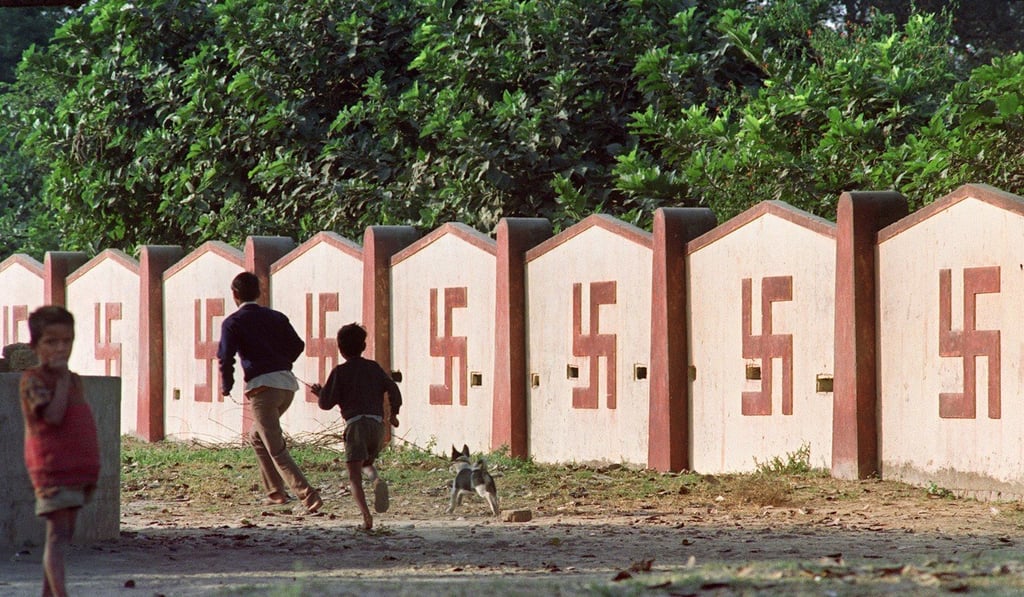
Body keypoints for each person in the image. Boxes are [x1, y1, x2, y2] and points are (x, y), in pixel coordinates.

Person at [217, 271, 322, 513]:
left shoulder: (232, 322)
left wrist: (227, 384)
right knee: (257, 437)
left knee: (276, 448)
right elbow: (298, 345)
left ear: (234, 294)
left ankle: (309, 497)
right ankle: (275, 493)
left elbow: (225, 356)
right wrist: (281, 361)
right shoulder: (277, 317)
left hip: (263, 390)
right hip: (287, 386)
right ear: (259, 292)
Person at [19, 305, 100, 597]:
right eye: (51, 342)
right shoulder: (34, 380)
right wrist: (63, 381)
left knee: (63, 536)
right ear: (36, 346)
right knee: (56, 536)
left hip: (76, 470)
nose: (60, 348)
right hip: (51, 469)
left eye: (66, 341)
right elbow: (52, 417)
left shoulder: (74, 380)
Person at [312, 322, 402, 530]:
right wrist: (394, 413)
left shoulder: (340, 372)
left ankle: (366, 518)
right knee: (366, 462)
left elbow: (326, 404)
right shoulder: (374, 368)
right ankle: (376, 480)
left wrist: (320, 393)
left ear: (340, 349)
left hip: (355, 425)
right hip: (377, 425)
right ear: (363, 346)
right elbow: (392, 388)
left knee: (354, 477)